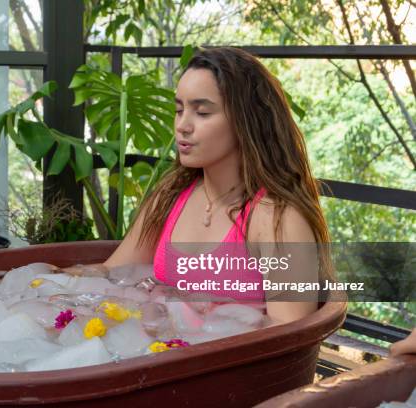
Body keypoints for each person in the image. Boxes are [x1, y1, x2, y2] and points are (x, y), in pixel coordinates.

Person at [61, 47, 333, 326]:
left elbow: (287, 339)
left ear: (247, 122)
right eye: (179, 110)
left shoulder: (277, 219)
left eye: (202, 112)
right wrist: (43, 282)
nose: (182, 125)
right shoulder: (170, 197)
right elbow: (110, 272)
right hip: (154, 355)